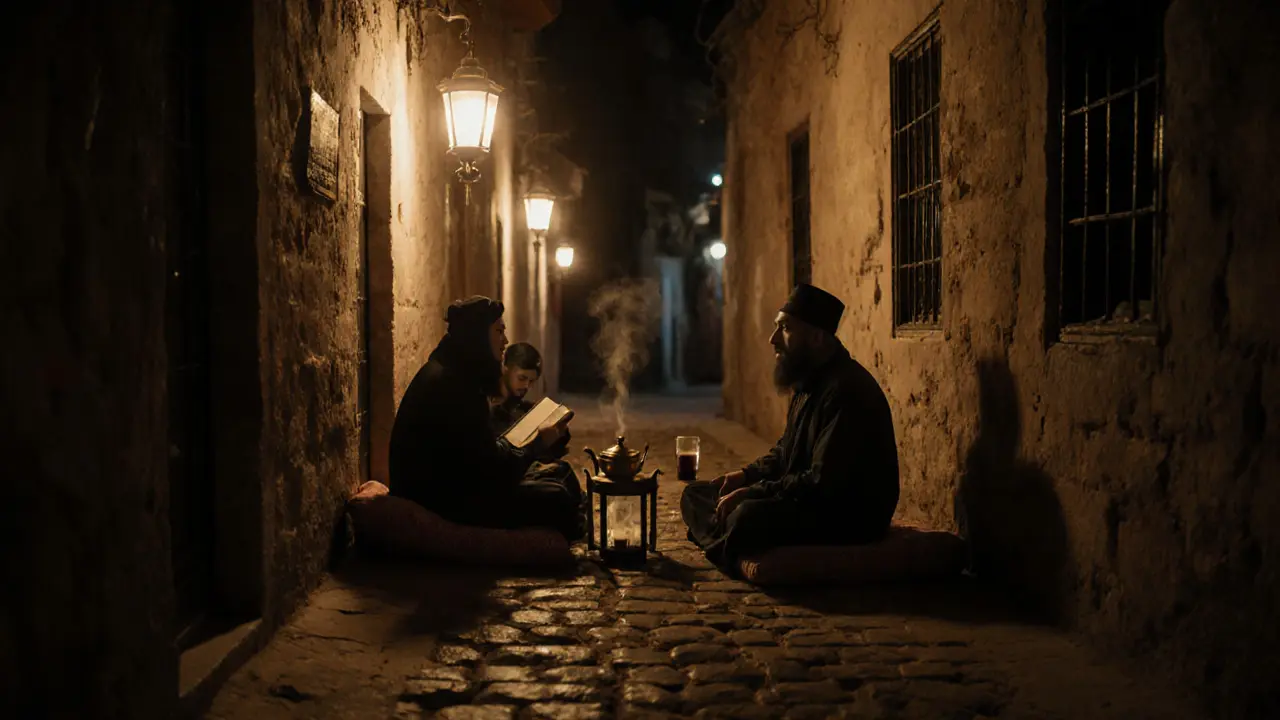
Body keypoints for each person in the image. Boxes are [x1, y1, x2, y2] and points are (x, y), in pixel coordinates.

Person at [681, 283, 901, 572]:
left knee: (746, 515)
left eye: (784, 328)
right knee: (696, 494)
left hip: (845, 514)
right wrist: (745, 476)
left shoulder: (846, 391)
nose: (773, 339)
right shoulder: (808, 382)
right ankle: (725, 538)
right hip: (808, 499)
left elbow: (822, 483)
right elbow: (786, 451)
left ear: (817, 337)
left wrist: (753, 493)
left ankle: (724, 536)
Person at [388, 296, 584, 541]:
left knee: (560, 473)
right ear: (478, 336)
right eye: (499, 331)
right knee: (557, 498)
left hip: (457, 486)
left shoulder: (456, 371)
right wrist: (536, 445)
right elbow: (489, 474)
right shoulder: (453, 384)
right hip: (444, 500)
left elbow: (480, 455)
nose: (506, 341)